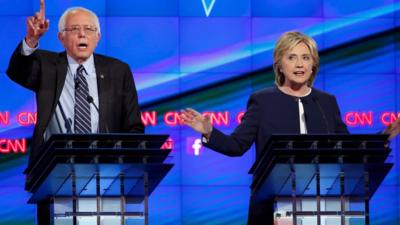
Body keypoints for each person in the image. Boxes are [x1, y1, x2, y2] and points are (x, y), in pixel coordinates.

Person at [180, 31, 400, 225]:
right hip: (273, 203)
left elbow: (346, 150)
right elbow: (236, 146)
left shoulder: (326, 102)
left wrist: (383, 137)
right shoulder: (262, 101)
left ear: (313, 64)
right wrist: (209, 131)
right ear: (279, 64)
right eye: (292, 57)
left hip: (322, 205)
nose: (299, 64)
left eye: (306, 58)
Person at [6, 0, 144, 168]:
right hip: (53, 169)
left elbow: (133, 128)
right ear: (61, 38)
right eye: (74, 29)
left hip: (105, 171)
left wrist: (125, 174)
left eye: (89, 29)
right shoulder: (47, 65)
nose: (82, 34)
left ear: (97, 37)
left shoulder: (118, 70)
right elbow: (17, 71)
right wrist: (31, 40)